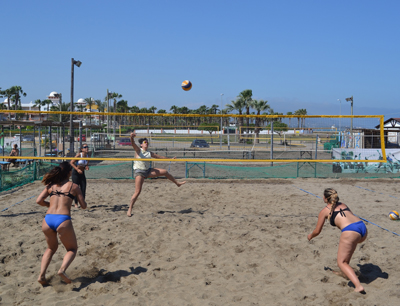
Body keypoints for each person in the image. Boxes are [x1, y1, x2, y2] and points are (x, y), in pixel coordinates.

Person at [307, 188, 368, 294]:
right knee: (345, 257)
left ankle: (358, 286)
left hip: (351, 232)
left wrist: (310, 236)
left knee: (341, 262)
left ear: (326, 198)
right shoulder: (343, 204)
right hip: (362, 228)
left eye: (323, 196)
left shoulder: (324, 211)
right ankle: (344, 273)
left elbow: (317, 231)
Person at [36, 162, 87, 285]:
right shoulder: (74, 186)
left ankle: (41, 275)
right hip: (63, 219)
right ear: (70, 172)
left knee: (50, 248)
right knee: (72, 249)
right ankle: (62, 270)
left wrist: (51, 205)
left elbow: (39, 201)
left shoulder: (51, 185)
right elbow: (83, 206)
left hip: (48, 219)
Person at [127, 132, 186, 217]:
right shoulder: (138, 150)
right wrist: (131, 137)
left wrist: (170, 159)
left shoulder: (149, 153)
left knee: (165, 172)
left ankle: (177, 183)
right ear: (141, 145)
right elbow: (132, 143)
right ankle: (130, 209)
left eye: (147, 142)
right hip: (139, 172)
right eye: (145, 142)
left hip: (148, 171)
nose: (146, 143)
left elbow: (160, 157)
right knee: (137, 192)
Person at [70, 144, 90, 208]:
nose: (87, 148)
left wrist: (86, 167)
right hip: (76, 173)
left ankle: (82, 203)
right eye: (85, 147)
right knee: (76, 188)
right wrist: (77, 169)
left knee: (83, 188)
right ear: (82, 149)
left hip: (82, 173)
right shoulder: (79, 155)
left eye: (87, 147)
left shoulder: (87, 156)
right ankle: (76, 203)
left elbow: (86, 164)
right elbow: (71, 163)